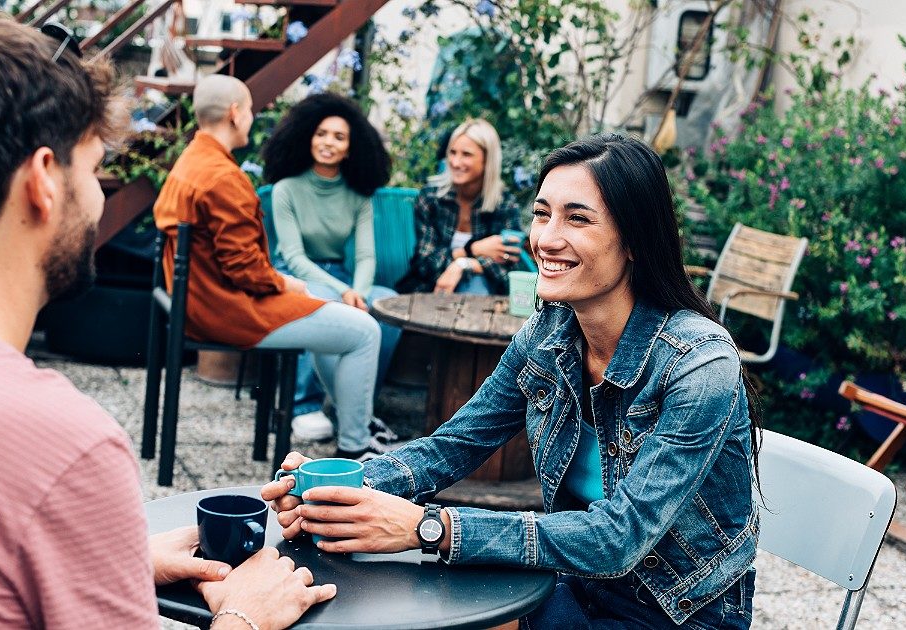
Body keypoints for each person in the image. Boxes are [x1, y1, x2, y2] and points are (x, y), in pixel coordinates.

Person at [0, 12, 333, 628]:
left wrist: (108, 561)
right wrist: (246, 617)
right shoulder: (65, 446)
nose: (95, 197)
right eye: (90, 170)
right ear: (42, 182)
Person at [264, 134, 761, 628]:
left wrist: (428, 527)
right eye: (542, 214)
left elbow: (618, 538)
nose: (545, 239)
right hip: (570, 582)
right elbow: (453, 447)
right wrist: (339, 493)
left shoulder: (699, 365)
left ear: (634, 241)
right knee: (365, 604)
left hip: (672, 615)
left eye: (578, 218)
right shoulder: (548, 335)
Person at [153, 76, 391, 461]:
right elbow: (245, 269)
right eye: (248, 110)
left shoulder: (192, 161)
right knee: (363, 330)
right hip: (228, 308)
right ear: (234, 113)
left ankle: (353, 431)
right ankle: (356, 449)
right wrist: (288, 285)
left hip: (200, 299)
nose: (251, 117)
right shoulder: (223, 177)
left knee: (346, 318)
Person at [260, 93, 401, 443]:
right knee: (323, 306)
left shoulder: (358, 194)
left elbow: (367, 257)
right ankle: (304, 405)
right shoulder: (286, 190)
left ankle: (353, 407)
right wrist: (344, 292)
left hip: (340, 275)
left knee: (389, 308)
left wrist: (362, 294)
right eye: (322, 133)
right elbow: (293, 256)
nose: (328, 142)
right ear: (308, 137)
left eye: (339, 137)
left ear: (350, 148)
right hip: (295, 276)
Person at [395, 119, 524, 295]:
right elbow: (424, 265)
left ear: (487, 160)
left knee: (476, 284)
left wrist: (463, 264)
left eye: (466, 154)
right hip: (427, 291)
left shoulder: (504, 205)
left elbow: (508, 272)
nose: (455, 162)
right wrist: (473, 250)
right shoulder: (431, 197)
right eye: (453, 153)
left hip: (482, 297)